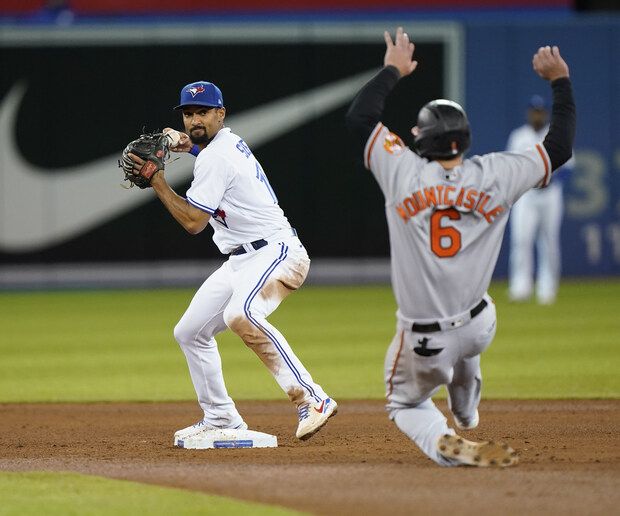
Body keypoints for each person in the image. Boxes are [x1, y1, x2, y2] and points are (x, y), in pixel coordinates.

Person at [345, 28, 575, 467]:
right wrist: (560, 80)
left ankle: (447, 445)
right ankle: (466, 410)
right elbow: (559, 146)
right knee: (474, 327)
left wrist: (393, 68)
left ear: (421, 139)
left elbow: (360, 119)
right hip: (477, 325)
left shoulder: (402, 171)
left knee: (404, 404)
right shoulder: (498, 173)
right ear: (465, 139)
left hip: (425, 339)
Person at [127, 81, 337, 445]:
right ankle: (220, 415)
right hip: (242, 259)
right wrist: (186, 143)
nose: (195, 119)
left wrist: (157, 181)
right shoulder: (223, 143)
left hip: (275, 252)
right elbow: (206, 150)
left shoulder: (215, 157)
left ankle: (312, 398)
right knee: (190, 332)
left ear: (220, 114)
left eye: (203, 113)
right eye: (189, 114)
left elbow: (193, 222)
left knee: (241, 315)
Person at [507, 95, 574, 304]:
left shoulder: (555, 135)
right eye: (534, 111)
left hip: (550, 196)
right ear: (529, 113)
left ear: (545, 113)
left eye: (540, 111)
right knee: (521, 240)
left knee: (549, 242)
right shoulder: (519, 136)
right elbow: (511, 167)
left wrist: (550, 179)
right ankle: (520, 287)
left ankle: (547, 289)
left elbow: (569, 168)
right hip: (526, 195)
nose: (537, 114)